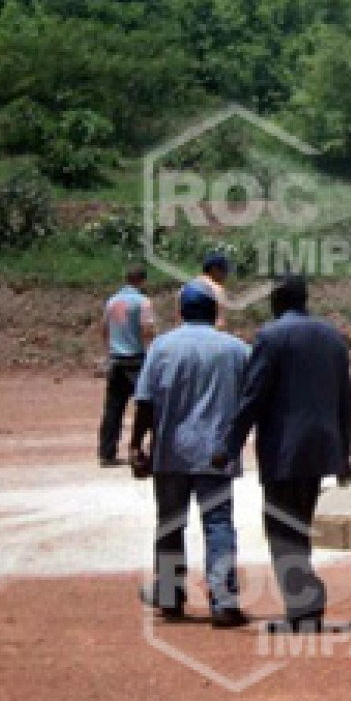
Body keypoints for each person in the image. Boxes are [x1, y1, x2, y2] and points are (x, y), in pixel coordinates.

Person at [215, 274, 351, 633]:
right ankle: (304, 604)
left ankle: (305, 605)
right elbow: (345, 399)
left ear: (276, 299)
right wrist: (344, 455)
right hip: (321, 449)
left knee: (280, 528)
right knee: (298, 526)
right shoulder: (332, 337)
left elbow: (253, 396)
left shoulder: (271, 336)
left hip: (283, 450)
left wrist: (229, 446)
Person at [131, 281, 250, 629]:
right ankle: (223, 600)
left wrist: (137, 445)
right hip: (217, 452)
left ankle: (169, 594)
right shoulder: (236, 350)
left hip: (171, 452)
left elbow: (144, 401)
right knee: (218, 524)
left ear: (181, 312)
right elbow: (252, 399)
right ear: (214, 313)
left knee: (170, 523)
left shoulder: (162, 348)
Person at [97, 264, 157, 467]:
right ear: (142, 281)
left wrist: (109, 353)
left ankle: (107, 453)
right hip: (136, 360)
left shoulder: (112, 301)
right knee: (148, 405)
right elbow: (146, 329)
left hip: (116, 359)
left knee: (113, 408)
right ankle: (146, 449)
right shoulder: (142, 302)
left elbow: (104, 329)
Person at [179, 251, 230, 330]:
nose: (226, 276)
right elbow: (220, 324)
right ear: (215, 270)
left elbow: (179, 322)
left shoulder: (183, 289)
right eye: (224, 272)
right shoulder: (217, 290)